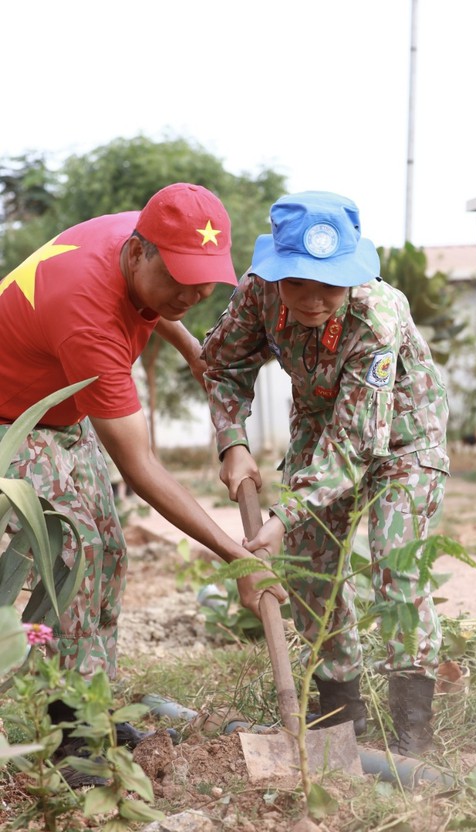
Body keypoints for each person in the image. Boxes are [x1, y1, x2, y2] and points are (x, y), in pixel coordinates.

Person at [0, 183, 287, 769]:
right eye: (179, 279)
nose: (195, 292)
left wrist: (187, 346)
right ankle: (69, 734)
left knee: (106, 552)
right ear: (137, 253)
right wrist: (240, 557)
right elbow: (144, 468)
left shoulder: (154, 230)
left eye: (204, 279)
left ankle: (90, 708)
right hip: (13, 419)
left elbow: (152, 302)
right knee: (73, 558)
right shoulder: (87, 317)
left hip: (58, 406)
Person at [201, 190, 449, 756]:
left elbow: (359, 443)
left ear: (352, 276)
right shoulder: (259, 294)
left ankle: (413, 725)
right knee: (313, 569)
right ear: (277, 274)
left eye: (329, 285)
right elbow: (222, 364)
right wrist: (232, 442)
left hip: (403, 439)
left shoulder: (375, 318)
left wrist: (283, 514)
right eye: (299, 283)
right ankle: (340, 711)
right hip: (318, 427)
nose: (314, 300)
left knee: (397, 562)